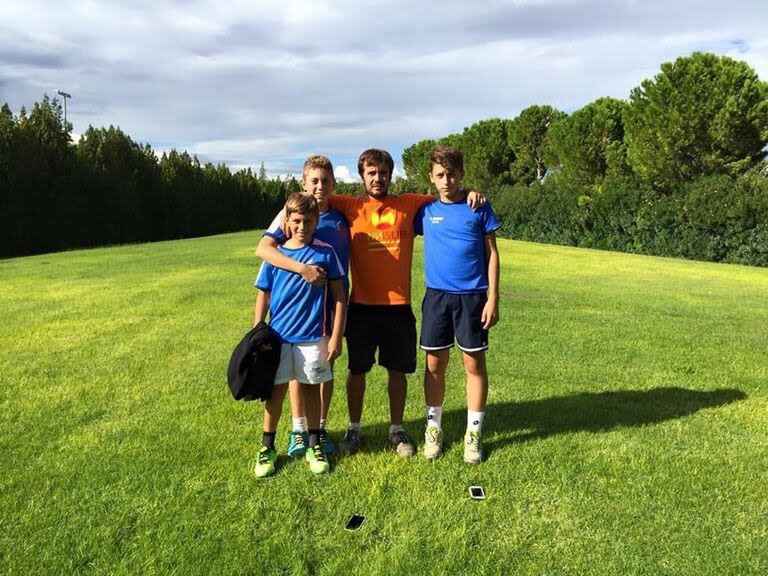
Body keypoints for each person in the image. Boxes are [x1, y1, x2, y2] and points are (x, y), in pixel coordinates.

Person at [327, 149, 484, 457]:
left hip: (398, 308)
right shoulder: (348, 205)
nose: (377, 178)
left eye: (383, 172)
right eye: (371, 173)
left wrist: (471, 192)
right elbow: (312, 198)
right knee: (356, 371)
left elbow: (447, 195)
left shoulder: (411, 204)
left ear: (390, 175)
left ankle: (397, 430)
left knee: (397, 372)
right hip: (361, 305)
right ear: (362, 176)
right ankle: (354, 428)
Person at [257, 155, 350, 458]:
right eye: (314, 180)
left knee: (322, 370)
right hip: (291, 316)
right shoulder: (290, 213)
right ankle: (299, 430)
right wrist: (302, 270)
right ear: (304, 182)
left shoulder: (341, 214)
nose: (320, 186)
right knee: (295, 374)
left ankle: (318, 429)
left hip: (326, 309)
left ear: (333, 183)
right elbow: (263, 249)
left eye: (325, 180)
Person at [414, 146, 500, 464]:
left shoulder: (479, 207)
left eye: (452, 174)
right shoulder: (424, 211)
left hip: (473, 298)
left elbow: (492, 254)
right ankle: (433, 429)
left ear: (462, 174)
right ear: (431, 178)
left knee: (473, 365)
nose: (446, 180)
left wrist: (493, 297)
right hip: (436, 298)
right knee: (434, 365)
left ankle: (473, 433)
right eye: (440, 175)